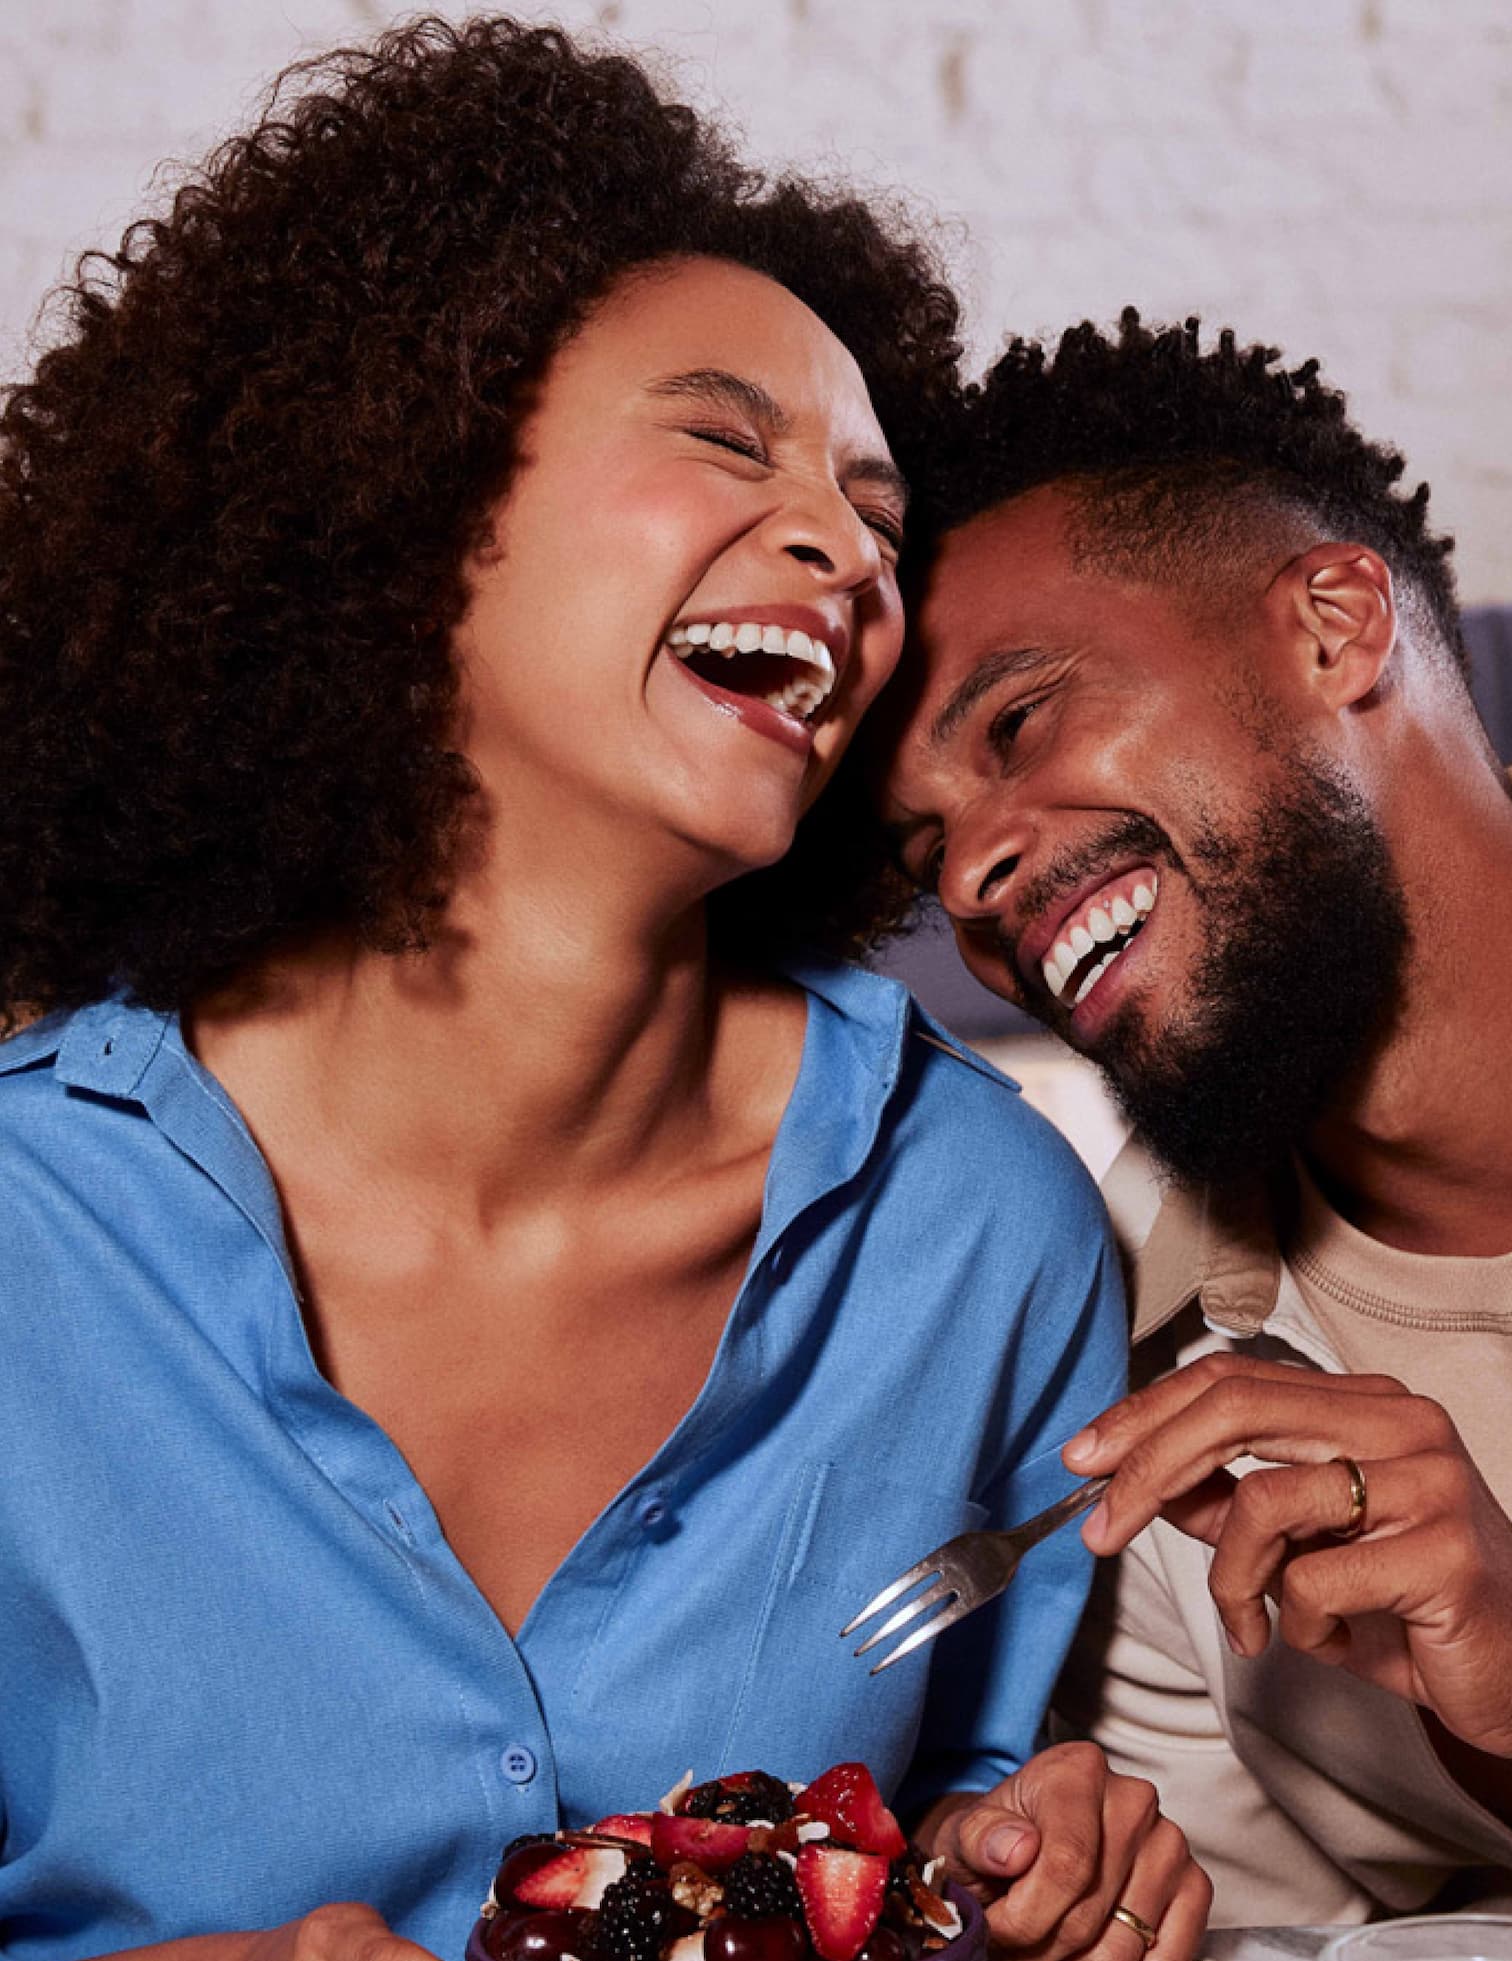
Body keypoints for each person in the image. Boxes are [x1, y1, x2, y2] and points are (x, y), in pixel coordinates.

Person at [0, 25, 1210, 1961]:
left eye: (878, 517)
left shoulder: (979, 1241)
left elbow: (966, 1829)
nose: (844, 548)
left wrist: (1032, 1863)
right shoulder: (33, 1238)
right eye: (727, 440)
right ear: (408, 496)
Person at [876, 308, 1512, 1926]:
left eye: (1019, 723)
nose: (971, 882)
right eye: (925, 854)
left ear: (1334, 625)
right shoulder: (1150, 1424)